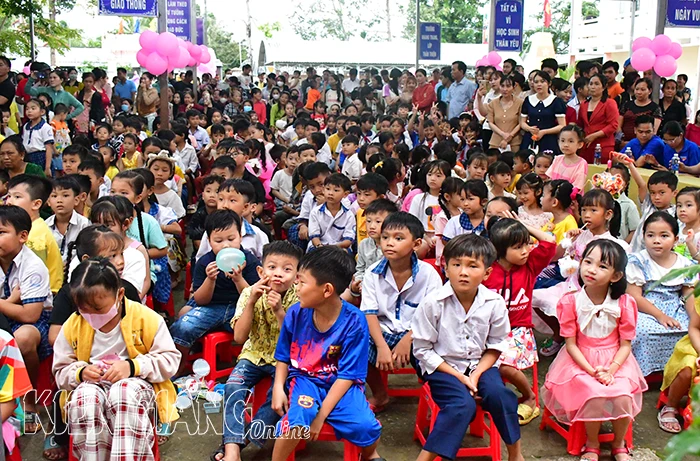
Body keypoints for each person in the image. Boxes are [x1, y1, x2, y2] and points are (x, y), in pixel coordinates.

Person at [52, 258, 180, 460]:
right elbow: (60, 371)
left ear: (120, 294)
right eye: (84, 310)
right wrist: (81, 372)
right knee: (86, 398)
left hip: (136, 387)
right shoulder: (73, 325)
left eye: (98, 308)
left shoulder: (145, 318)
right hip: (91, 386)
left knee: (123, 393)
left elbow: (170, 360)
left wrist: (132, 366)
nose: (91, 315)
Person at [412, 233, 523, 461]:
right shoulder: (432, 302)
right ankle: (423, 459)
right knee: (461, 405)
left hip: (480, 364)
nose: (463, 272)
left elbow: (496, 345)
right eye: (456, 264)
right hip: (442, 367)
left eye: (473, 266)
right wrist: (460, 377)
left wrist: (477, 374)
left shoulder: (494, 302)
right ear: (445, 266)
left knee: (501, 396)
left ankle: (515, 454)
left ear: (487, 273)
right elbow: (423, 350)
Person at [270, 246, 384, 461]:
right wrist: (278, 388)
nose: (296, 287)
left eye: (302, 282)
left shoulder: (355, 321)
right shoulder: (295, 313)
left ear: (327, 290)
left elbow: (348, 376)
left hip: (341, 384)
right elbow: (283, 355)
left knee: (366, 426)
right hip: (305, 380)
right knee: (299, 419)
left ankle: (370, 455)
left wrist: (321, 416)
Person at [542, 240, 647, 461]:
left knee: (623, 394)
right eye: (588, 262)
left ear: (616, 276)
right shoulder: (570, 301)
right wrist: (592, 371)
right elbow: (570, 344)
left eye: (602, 266)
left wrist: (611, 370)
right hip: (579, 359)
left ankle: (619, 444)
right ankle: (592, 443)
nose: (591, 269)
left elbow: (625, 345)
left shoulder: (624, 303)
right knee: (594, 393)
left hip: (616, 360)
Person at [211, 241, 303, 461]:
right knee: (233, 386)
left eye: (287, 269)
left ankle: (241, 440)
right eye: (272, 268)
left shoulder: (298, 298)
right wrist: (252, 300)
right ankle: (232, 449)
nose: (278, 274)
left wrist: (280, 311)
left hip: (285, 360)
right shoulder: (249, 294)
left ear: (297, 276)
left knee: (279, 395)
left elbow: (295, 343)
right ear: (261, 271)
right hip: (253, 354)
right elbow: (239, 337)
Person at [360, 212, 443, 411]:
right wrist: (381, 346)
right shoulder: (372, 273)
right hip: (385, 330)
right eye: (385, 237)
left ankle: (435, 394)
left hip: (419, 333)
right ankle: (380, 395)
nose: (389, 243)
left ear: (416, 244)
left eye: (398, 238)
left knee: (435, 353)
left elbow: (434, 317)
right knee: (357, 345)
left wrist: (408, 340)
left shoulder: (428, 274)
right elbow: (369, 313)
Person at [533, 189, 629, 357]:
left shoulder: (612, 244)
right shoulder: (580, 235)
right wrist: (568, 241)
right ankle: (559, 335)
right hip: (570, 285)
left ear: (608, 214)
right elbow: (557, 258)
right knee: (535, 297)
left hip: (592, 292)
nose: (587, 215)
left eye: (593, 210)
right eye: (584, 210)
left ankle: (577, 341)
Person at [484, 216, 556, 425]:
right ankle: (495, 398)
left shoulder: (530, 266)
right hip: (489, 332)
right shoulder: (487, 271)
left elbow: (549, 241)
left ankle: (530, 397)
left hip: (519, 330)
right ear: (500, 249)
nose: (525, 250)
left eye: (526, 244)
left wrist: (523, 226)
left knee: (502, 364)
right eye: (517, 247)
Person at [170, 210, 261, 374]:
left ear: (240, 236)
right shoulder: (205, 263)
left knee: (257, 327)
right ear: (209, 241)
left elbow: (252, 297)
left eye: (231, 239)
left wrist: (238, 279)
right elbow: (200, 300)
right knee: (182, 327)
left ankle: (250, 367)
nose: (226, 245)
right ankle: (179, 366)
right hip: (212, 307)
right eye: (218, 240)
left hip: (239, 308)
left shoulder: (249, 261)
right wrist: (210, 280)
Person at [0, 205, 53, 433]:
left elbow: (31, 315)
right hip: (6, 314)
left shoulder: (32, 266)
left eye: (1, 232)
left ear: (22, 236)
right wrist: (11, 300)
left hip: (33, 321)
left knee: (22, 338)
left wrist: (5, 303)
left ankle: (29, 400)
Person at [627, 212, 697, 377]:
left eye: (664, 235)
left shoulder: (683, 263)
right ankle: (644, 372)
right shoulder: (638, 261)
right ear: (643, 237)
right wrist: (660, 316)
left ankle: (678, 369)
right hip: (646, 308)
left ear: (675, 239)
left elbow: (688, 293)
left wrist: (693, 318)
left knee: (690, 330)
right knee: (642, 331)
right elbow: (634, 296)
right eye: (650, 235)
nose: (656, 240)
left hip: (675, 306)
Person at [6, 174, 63, 292]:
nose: (9, 202)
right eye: (9, 196)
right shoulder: (29, 227)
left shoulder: (36, 237)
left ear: (36, 204)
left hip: (42, 298)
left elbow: (34, 276)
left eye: (17, 197)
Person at [46, 175, 91, 262]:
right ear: (48, 202)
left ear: (76, 200)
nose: (59, 200)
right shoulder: (45, 226)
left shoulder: (84, 224)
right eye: (54, 196)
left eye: (65, 195)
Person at [520, 71, 566, 154]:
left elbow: (562, 125)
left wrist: (544, 132)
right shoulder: (528, 100)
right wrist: (529, 128)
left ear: (549, 83)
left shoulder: (556, 101)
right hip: (530, 138)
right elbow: (522, 122)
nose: (539, 84)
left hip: (549, 140)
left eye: (542, 81)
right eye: (536, 82)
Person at [308, 173, 355, 252]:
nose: (330, 193)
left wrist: (331, 248)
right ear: (323, 189)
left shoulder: (349, 215)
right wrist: (321, 247)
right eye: (328, 189)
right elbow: (314, 237)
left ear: (345, 194)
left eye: (336, 190)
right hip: (319, 246)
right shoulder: (315, 212)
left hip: (340, 247)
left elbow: (348, 241)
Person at [578, 74, 619, 163]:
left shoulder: (609, 103)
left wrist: (595, 135)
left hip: (603, 146)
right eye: (591, 84)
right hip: (586, 145)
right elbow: (580, 124)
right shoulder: (583, 104)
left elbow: (613, 125)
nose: (593, 87)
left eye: (596, 84)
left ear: (603, 87)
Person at [618, 78, 662, 144]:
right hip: (624, 143)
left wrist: (637, 143)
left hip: (644, 144)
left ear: (650, 91)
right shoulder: (627, 105)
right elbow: (618, 125)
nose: (639, 92)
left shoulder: (655, 108)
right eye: (637, 89)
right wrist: (621, 139)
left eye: (643, 90)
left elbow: (653, 131)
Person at [486, 75, 524, 152]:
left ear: (513, 87)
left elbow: (521, 123)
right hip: (495, 142)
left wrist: (510, 136)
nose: (505, 89)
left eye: (508, 86)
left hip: (515, 142)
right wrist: (503, 134)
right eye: (502, 86)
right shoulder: (493, 103)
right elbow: (490, 122)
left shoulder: (520, 103)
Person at [547, 125, 588, 190]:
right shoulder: (557, 159)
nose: (566, 145)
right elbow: (549, 178)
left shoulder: (581, 163)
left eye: (571, 141)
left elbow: (578, 186)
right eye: (562, 141)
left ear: (580, 144)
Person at [22, 99, 55, 176]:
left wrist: (47, 167)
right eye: (27, 109)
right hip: (28, 156)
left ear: (42, 112)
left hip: (41, 157)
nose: (29, 111)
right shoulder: (25, 126)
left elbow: (49, 148)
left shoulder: (45, 127)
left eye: (33, 108)